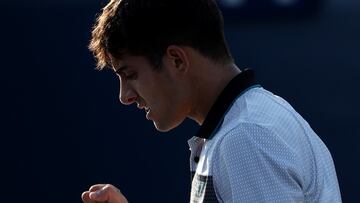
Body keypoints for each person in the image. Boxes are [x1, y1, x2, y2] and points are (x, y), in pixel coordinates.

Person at [81, 0, 342, 202]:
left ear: (177, 60)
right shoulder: (243, 128)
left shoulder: (245, 137)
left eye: (130, 75)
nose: (124, 96)